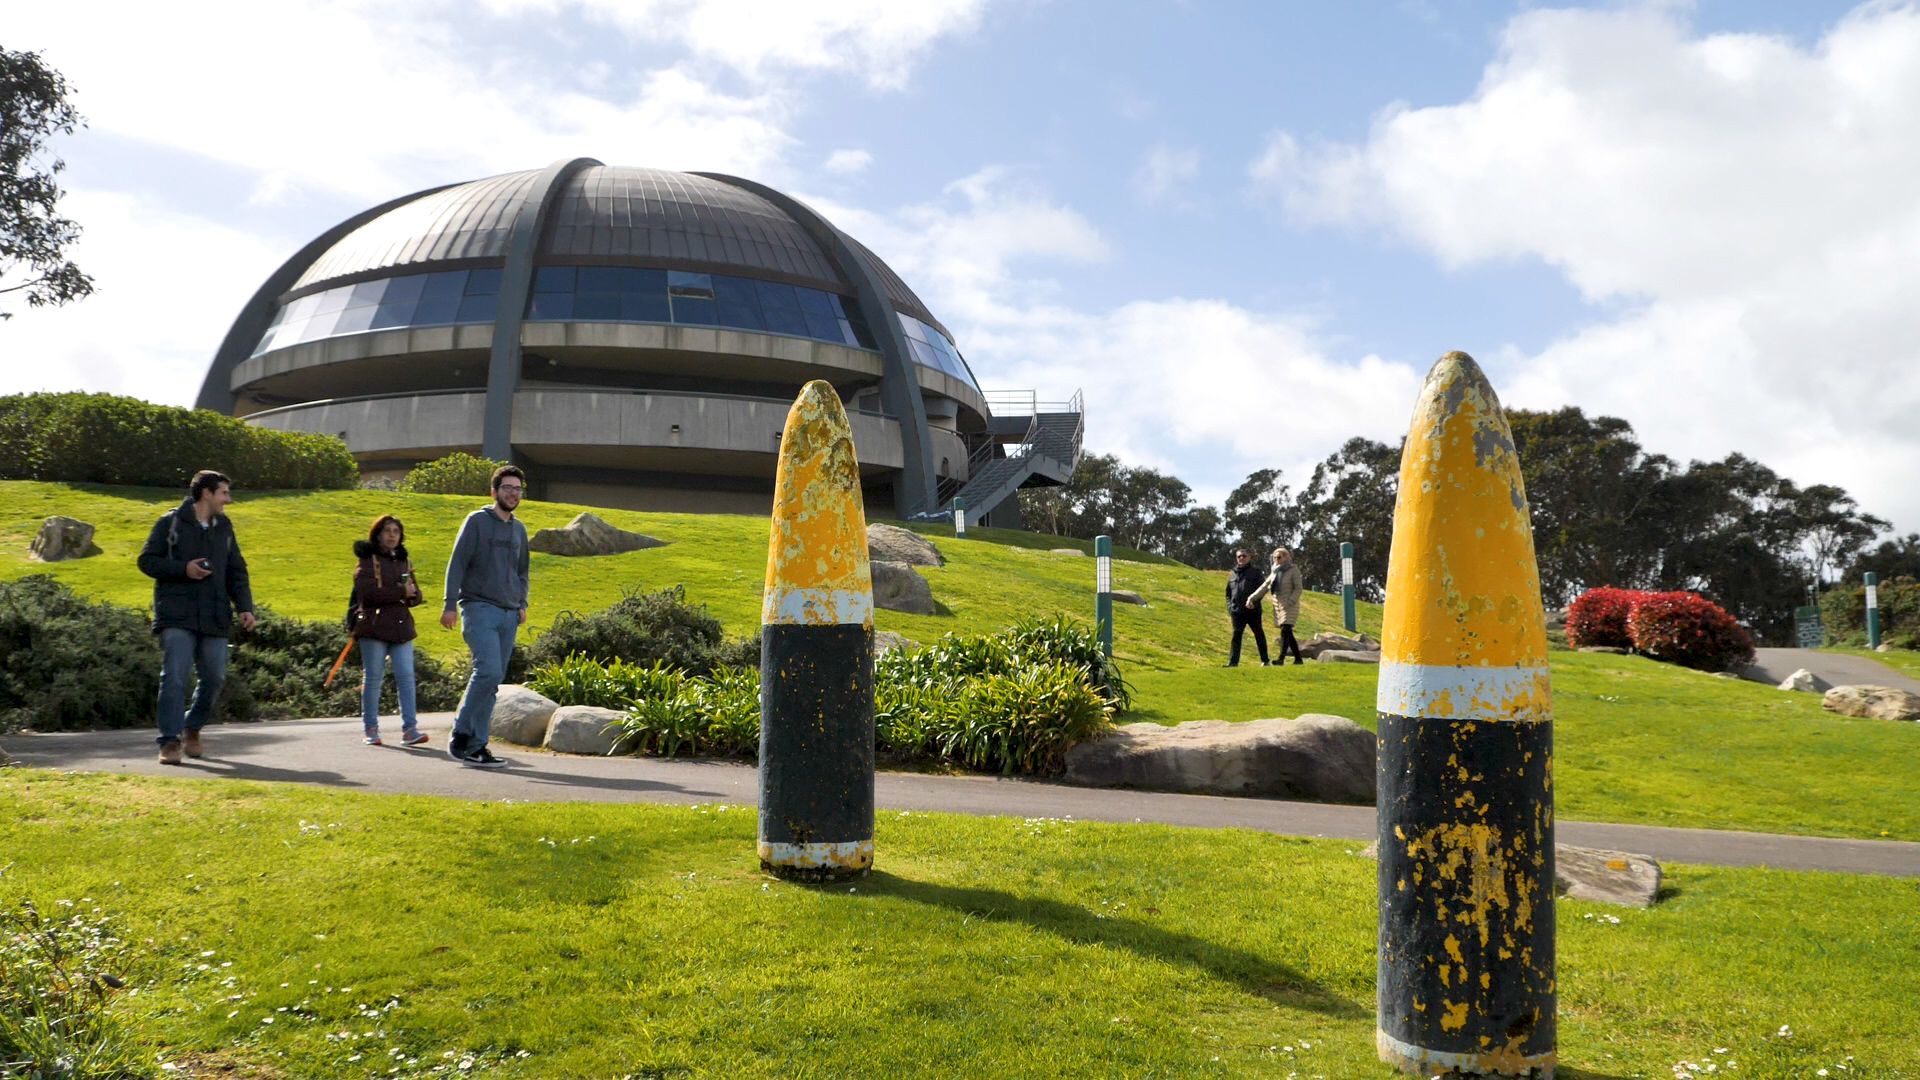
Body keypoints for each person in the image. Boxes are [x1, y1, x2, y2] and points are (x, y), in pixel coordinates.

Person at [135, 470, 256, 765]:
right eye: (224, 493)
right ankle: (169, 741)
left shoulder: (225, 527)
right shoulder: (170, 522)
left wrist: (245, 607)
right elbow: (147, 561)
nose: (228, 499)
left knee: (214, 677)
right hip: (176, 614)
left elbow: (236, 570)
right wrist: (183, 569)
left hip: (214, 614)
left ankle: (192, 728)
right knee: (174, 676)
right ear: (206, 493)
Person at [440, 464, 530, 769]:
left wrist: (521, 602)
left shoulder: (519, 529)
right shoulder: (476, 521)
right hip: (479, 608)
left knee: (492, 682)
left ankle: (477, 747)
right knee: (488, 671)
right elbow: (457, 563)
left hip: (509, 615)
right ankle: (460, 732)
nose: (513, 493)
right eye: (507, 488)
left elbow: (522, 570)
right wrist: (449, 603)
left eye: (517, 489)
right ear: (494, 492)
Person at [352, 515, 428, 747]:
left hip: (401, 627)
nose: (392, 535)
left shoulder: (404, 560)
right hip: (374, 626)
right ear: (377, 534)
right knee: (373, 678)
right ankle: (371, 729)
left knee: (406, 678)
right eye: (387, 531)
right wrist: (400, 592)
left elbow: (414, 593)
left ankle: (410, 729)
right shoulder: (368, 560)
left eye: (396, 531)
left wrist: (414, 595)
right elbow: (366, 593)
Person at [1254, 547, 1306, 665]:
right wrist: (1251, 599)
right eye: (1274, 557)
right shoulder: (1274, 572)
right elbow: (1264, 587)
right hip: (1278, 605)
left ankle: (1281, 658)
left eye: (1279, 557)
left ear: (1286, 557)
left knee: (1285, 629)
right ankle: (1298, 659)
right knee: (1288, 632)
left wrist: (1291, 601)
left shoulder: (1293, 570)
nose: (1276, 559)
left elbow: (1298, 588)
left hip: (1290, 605)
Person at [1224, 548, 1270, 667]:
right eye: (1239, 556)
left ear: (1249, 558)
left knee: (1258, 634)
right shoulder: (1232, 574)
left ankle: (1265, 661)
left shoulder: (1256, 572)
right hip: (1237, 612)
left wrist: (1254, 602)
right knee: (1236, 636)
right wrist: (1230, 608)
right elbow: (1228, 594)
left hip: (1252, 611)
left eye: (1244, 556)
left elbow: (1262, 590)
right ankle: (1233, 663)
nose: (1241, 558)